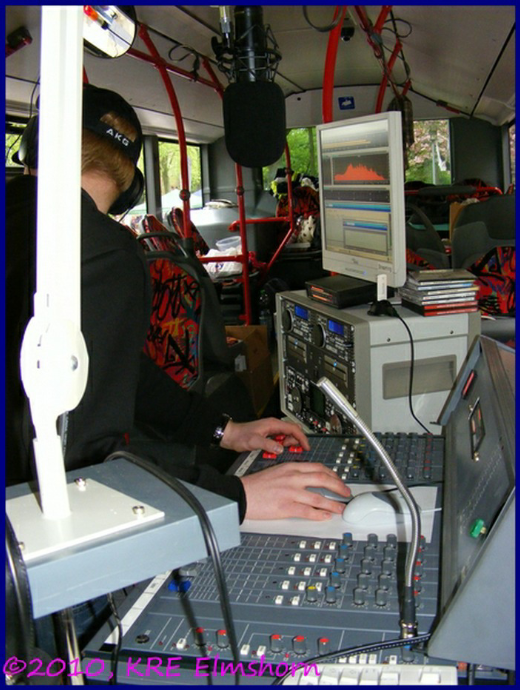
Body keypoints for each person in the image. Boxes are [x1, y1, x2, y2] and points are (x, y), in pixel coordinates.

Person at [6, 84, 351, 524]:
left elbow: (116, 368)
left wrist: (224, 430)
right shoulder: (102, 251)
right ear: (130, 182)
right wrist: (234, 496)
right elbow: (86, 463)